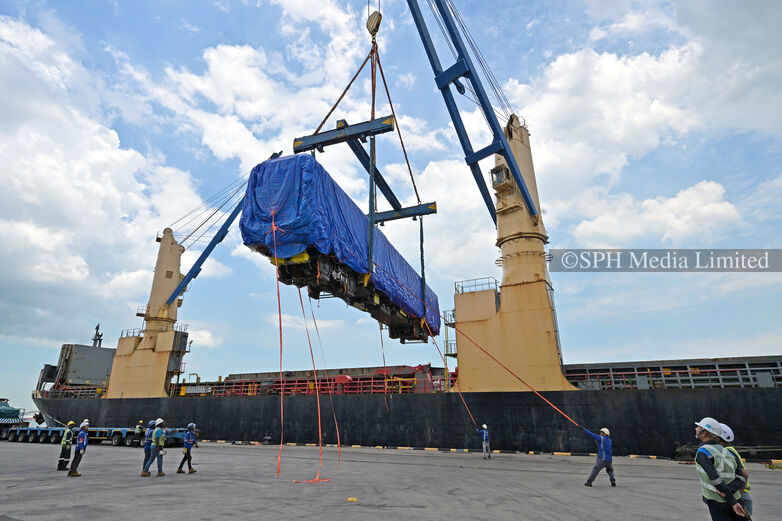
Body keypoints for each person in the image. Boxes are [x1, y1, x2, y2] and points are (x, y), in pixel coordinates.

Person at [693, 417, 748, 520]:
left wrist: (731, 501)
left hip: (718, 502)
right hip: (736, 498)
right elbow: (742, 477)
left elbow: (715, 479)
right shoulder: (728, 452)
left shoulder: (703, 452)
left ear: (704, 433)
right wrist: (731, 491)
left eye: (698, 427)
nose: (696, 428)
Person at [719, 423, 753, 517]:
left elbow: (744, 475)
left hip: (740, 496)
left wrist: (737, 498)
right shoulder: (726, 451)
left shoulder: (727, 453)